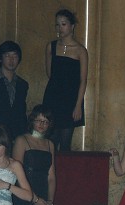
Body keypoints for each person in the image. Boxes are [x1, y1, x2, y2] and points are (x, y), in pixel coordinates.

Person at [43, 9, 88, 151]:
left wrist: (78, 105)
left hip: (70, 99)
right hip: (53, 96)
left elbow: (83, 80)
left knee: (65, 143)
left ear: (72, 26)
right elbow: (50, 73)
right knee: (50, 140)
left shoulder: (80, 50)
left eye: (63, 24)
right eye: (57, 24)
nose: (60, 28)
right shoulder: (51, 46)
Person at [12, 105, 55, 205]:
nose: (42, 124)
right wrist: (34, 198)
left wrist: (50, 201)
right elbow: (16, 173)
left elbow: (51, 176)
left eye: (45, 121)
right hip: (24, 191)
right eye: (39, 120)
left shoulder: (50, 144)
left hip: (43, 192)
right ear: (32, 120)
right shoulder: (21, 140)